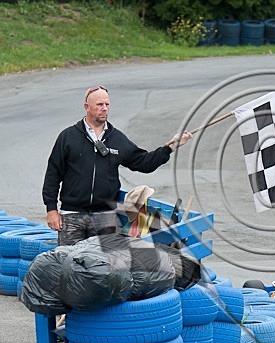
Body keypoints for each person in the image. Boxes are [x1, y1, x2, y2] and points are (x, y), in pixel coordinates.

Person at [42, 85, 192, 245]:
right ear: (87, 107)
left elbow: (144, 163)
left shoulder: (117, 139)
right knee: (67, 264)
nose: (104, 109)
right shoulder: (68, 137)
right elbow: (53, 174)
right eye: (99, 105)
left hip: (104, 217)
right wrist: (51, 209)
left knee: (102, 267)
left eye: (107, 104)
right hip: (71, 215)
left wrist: (170, 147)